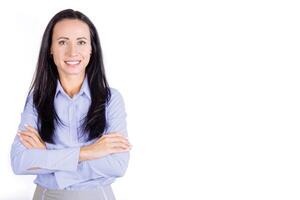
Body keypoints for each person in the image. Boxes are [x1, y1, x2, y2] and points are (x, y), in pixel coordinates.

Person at [10, 9, 131, 200]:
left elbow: (117, 165)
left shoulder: (111, 99)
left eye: (81, 42)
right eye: (62, 42)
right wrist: (88, 152)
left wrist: (48, 156)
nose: (72, 52)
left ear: (92, 48)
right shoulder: (36, 99)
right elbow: (19, 162)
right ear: (50, 48)